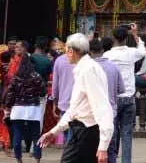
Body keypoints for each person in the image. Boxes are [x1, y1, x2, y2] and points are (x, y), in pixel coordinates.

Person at [37, 33, 114, 163]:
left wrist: (103, 146)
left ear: (71, 51)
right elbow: (75, 108)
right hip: (80, 128)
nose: (65, 54)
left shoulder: (88, 69)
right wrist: (55, 131)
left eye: (66, 51)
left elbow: (102, 107)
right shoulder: (83, 68)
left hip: (88, 130)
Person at [103, 26, 146, 163]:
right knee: (127, 134)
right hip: (129, 97)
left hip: (113, 99)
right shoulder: (131, 53)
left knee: (113, 133)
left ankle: (112, 160)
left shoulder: (107, 56)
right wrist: (135, 34)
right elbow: (143, 51)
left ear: (113, 38)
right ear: (126, 38)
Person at [4, 56, 45, 163]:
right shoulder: (37, 76)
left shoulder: (16, 77)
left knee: (17, 135)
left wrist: (8, 107)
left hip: (18, 109)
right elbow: (43, 92)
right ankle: (37, 160)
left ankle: (19, 159)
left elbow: (10, 94)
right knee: (36, 136)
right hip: (33, 109)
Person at [89, 38, 125, 118]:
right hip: (109, 111)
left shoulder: (85, 68)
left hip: (91, 113)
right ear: (102, 50)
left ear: (89, 52)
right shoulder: (114, 67)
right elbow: (121, 89)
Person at [50, 39, 75, 145]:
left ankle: (67, 154)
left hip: (64, 102)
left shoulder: (59, 60)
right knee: (72, 132)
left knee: (66, 130)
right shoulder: (84, 60)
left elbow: (55, 84)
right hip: (78, 103)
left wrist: (54, 102)